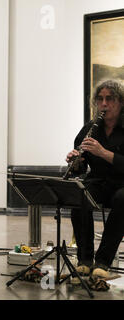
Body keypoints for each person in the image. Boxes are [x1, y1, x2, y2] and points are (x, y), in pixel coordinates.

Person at [66, 79, 124, 280]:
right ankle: (84, 260)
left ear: (121, 102)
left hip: (122, 185)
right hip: (99, 182)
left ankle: (103, 261)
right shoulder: (91, 128)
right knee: (79, 194)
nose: (104, 104)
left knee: (122, 199)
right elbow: (81, 168)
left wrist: (103, 152)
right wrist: (76, 161)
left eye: (110, 99)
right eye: (100, 99)